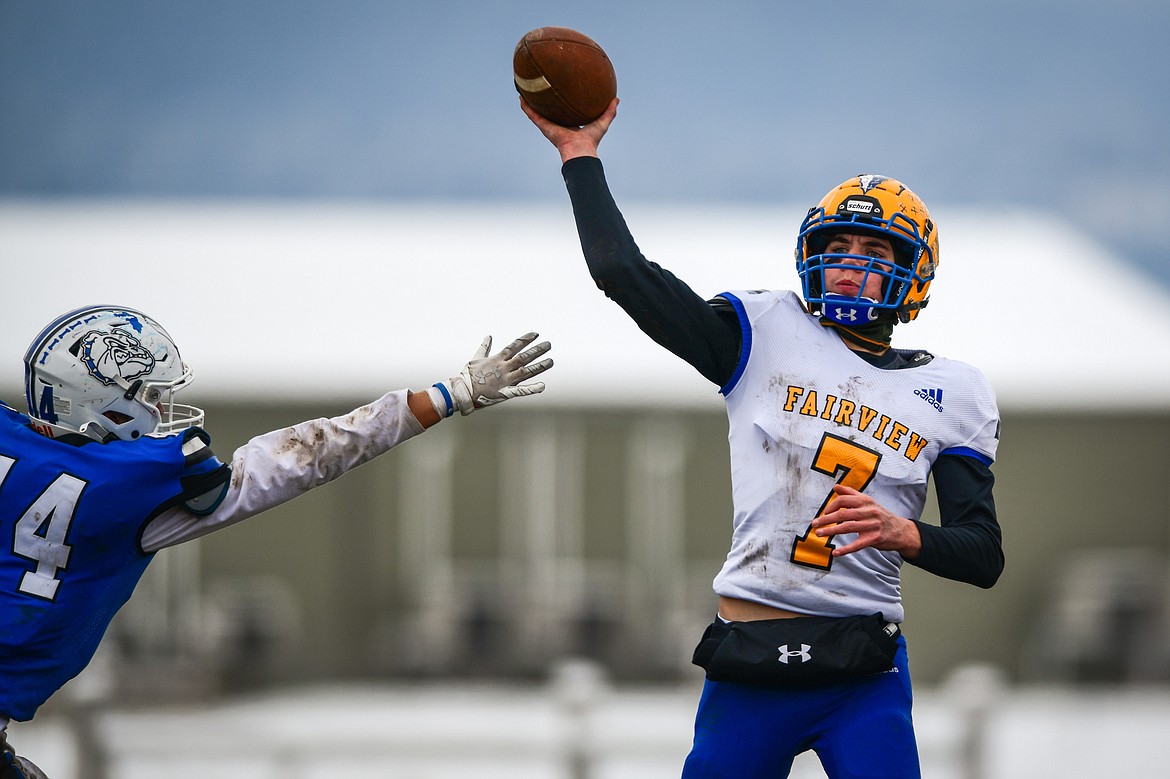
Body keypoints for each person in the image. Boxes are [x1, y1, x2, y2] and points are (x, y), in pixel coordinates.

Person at [521, 97, 1003, 779]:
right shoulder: (762, 333)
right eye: (836, 246)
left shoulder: (953, 392)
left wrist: (905, 532)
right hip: (751, 656)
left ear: (913, 272)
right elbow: (623, 274)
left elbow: (983, 554)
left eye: (873, 249)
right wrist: (580, 156)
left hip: (862, 669)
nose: (849, 262)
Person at [0, 304, 553, 779]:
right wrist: (442, 397)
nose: (163, 411)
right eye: (150, 395)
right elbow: (298, 460)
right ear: (100, 401)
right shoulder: (129, 484)